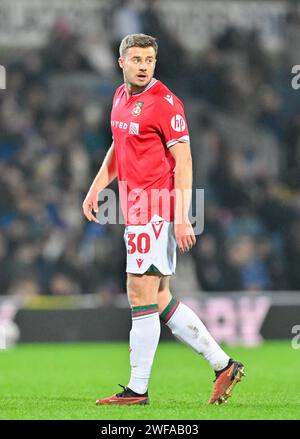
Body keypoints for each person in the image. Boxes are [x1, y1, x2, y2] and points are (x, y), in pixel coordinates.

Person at [82, 33, 245, 405]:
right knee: (159, 298)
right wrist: (96, 187)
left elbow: (184, 160)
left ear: (155, 63)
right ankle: (223, 365)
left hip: (157, 207)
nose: (143, 66)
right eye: (136, 59)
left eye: (149, 60)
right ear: (121, 62)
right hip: (135, 206)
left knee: (139, 293)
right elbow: (119, 145)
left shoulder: (166, 104)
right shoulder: (120, 98)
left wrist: (183, 216)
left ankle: (137, 390)